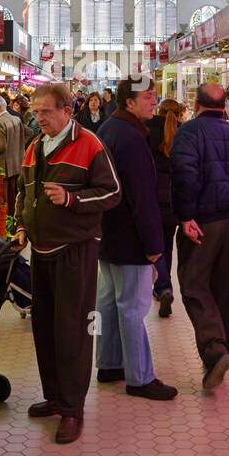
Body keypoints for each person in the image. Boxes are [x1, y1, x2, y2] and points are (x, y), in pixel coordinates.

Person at [13, 82, 121, 444]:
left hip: (75, 250)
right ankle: (55, 397)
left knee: (73, 330)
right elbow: (22, 192)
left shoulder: (89, 144)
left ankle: (73, 409)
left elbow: (112, 192)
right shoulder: (34, 147)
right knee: (45, 327)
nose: (38, 117)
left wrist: (72, 198)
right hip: (41, 251)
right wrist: (21, 224)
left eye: (46, 111)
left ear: (67, 110)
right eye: (35, 110)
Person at [170, 83, 229, 390]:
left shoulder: (188, 133)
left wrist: (185, 216)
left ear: (196, 104)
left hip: (202, 221)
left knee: (194, 283)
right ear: (226, 107)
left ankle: (214, 349)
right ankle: (220, 354)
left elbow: (184, 176)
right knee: (227, 288)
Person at [94, 78, 176, 401]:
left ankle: (109, 363)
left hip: (108, 235)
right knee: (132, 306)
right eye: (148, 97)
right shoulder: (131, 138)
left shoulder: (109, 130)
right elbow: (142, 198)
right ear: (129, 102)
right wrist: (155, 246)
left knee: (109, 302)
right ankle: (140, 378)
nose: (154, 102)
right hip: (129, 239)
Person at [145, 98, 182, 317]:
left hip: (152, 196)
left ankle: (164, 286)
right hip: (173, 198)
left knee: (154, 246)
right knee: (167, 245)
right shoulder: (182, 133)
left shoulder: (148, 130)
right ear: (179, 114)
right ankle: (162, 288)